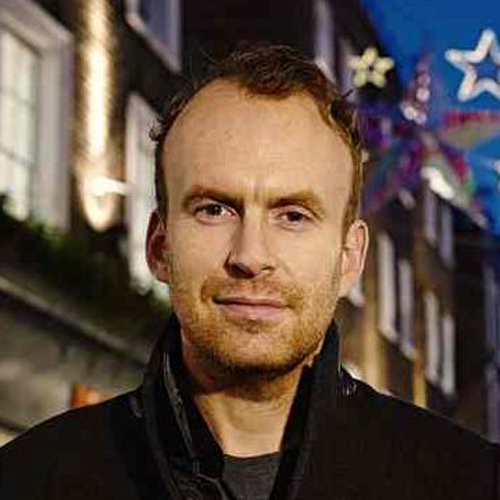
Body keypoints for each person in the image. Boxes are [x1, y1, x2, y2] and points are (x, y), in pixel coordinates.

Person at [0, 45, 498, 500]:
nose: (251, 255)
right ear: (159, 246)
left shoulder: (468, 482)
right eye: (214, 210)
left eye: (293, 216)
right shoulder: (30, 480)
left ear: (349, 258)